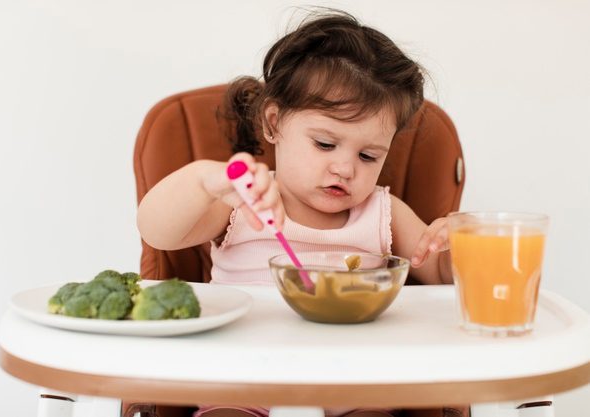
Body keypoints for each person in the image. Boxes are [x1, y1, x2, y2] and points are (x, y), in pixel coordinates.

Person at [137, 9, 466, 417]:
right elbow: (157, 232)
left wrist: (458, 244)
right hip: (242, 383)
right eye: (325, 144)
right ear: (274, 123)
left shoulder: (383, 212)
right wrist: (206, 181)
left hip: (357, 386)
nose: (345, 169)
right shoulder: (244, 201)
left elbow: (442, 275)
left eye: (367, 155)